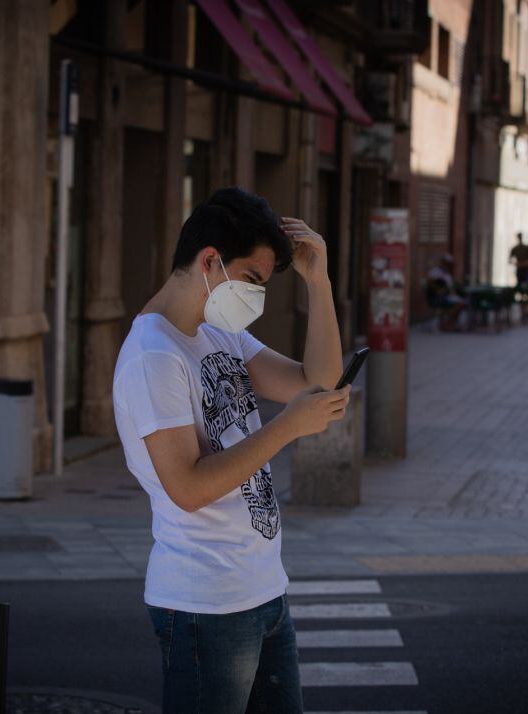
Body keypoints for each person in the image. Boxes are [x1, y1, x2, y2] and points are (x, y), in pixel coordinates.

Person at [112, 187, 348, 713]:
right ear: (210, 261)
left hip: (262, 590)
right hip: (205, 604)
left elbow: (318, 381)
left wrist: (320, 283)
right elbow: (188, 488)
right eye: (253, 281)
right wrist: (287, 428)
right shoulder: (154, 356)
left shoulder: (219, 332)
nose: (257, 297)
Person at [427, 253, 467, 330]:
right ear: (442, 262)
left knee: (463, 303)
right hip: (439, 297)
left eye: (449, 264)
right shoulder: (436, 271)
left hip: (448, 295)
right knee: (459, 304)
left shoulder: (447, 273)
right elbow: (430, 281)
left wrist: (454, 293)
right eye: (446, 263)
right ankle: (447, 323)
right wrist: (438, 289)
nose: (448, 265)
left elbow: (451, 287)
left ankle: (450, 322)